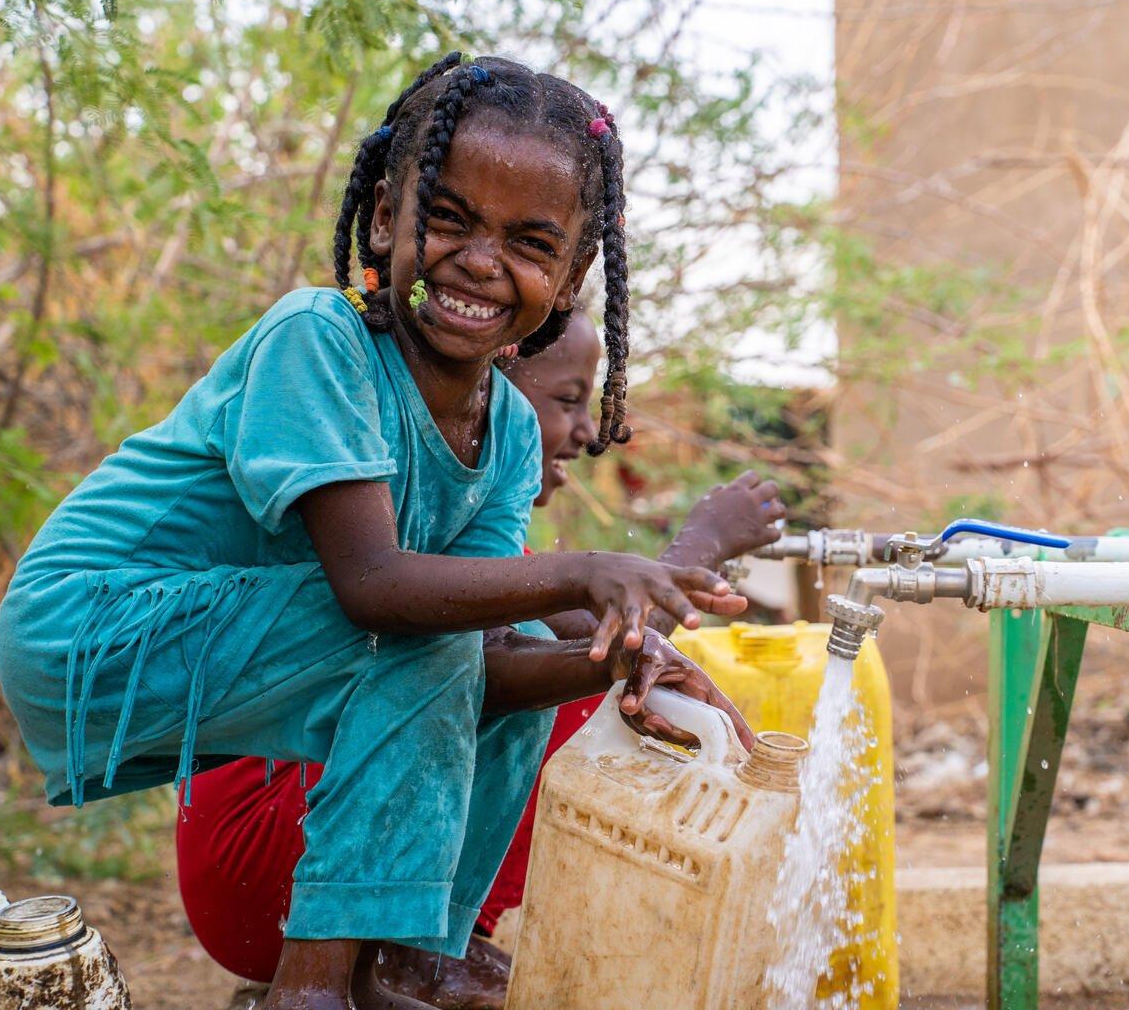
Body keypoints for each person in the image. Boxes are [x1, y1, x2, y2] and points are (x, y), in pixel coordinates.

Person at [0, 53, 759, 1010]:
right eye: (447, 218)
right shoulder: (317, 340)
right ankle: (313, 989)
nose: (481, 262)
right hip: (93, 623)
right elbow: (373, 587)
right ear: (386, 213)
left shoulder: (509, 431)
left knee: (464, 662)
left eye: (530, 243)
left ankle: (410, 959)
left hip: (234, 639)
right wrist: (586, 573)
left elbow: (479, 661)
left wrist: (610, 664)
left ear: (571, 276)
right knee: (422, 634)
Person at [174, 309, 786, 1008]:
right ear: (485, 388)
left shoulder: (460, 541)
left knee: (601, 668)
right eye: (566, 400)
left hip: (271, 880)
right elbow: (605, 642)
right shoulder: (399, 534)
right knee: (576, 685)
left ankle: (421, 950)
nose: (587, 433)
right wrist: (691, 554)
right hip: (272, 876)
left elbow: (616, 634)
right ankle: (415, 958)